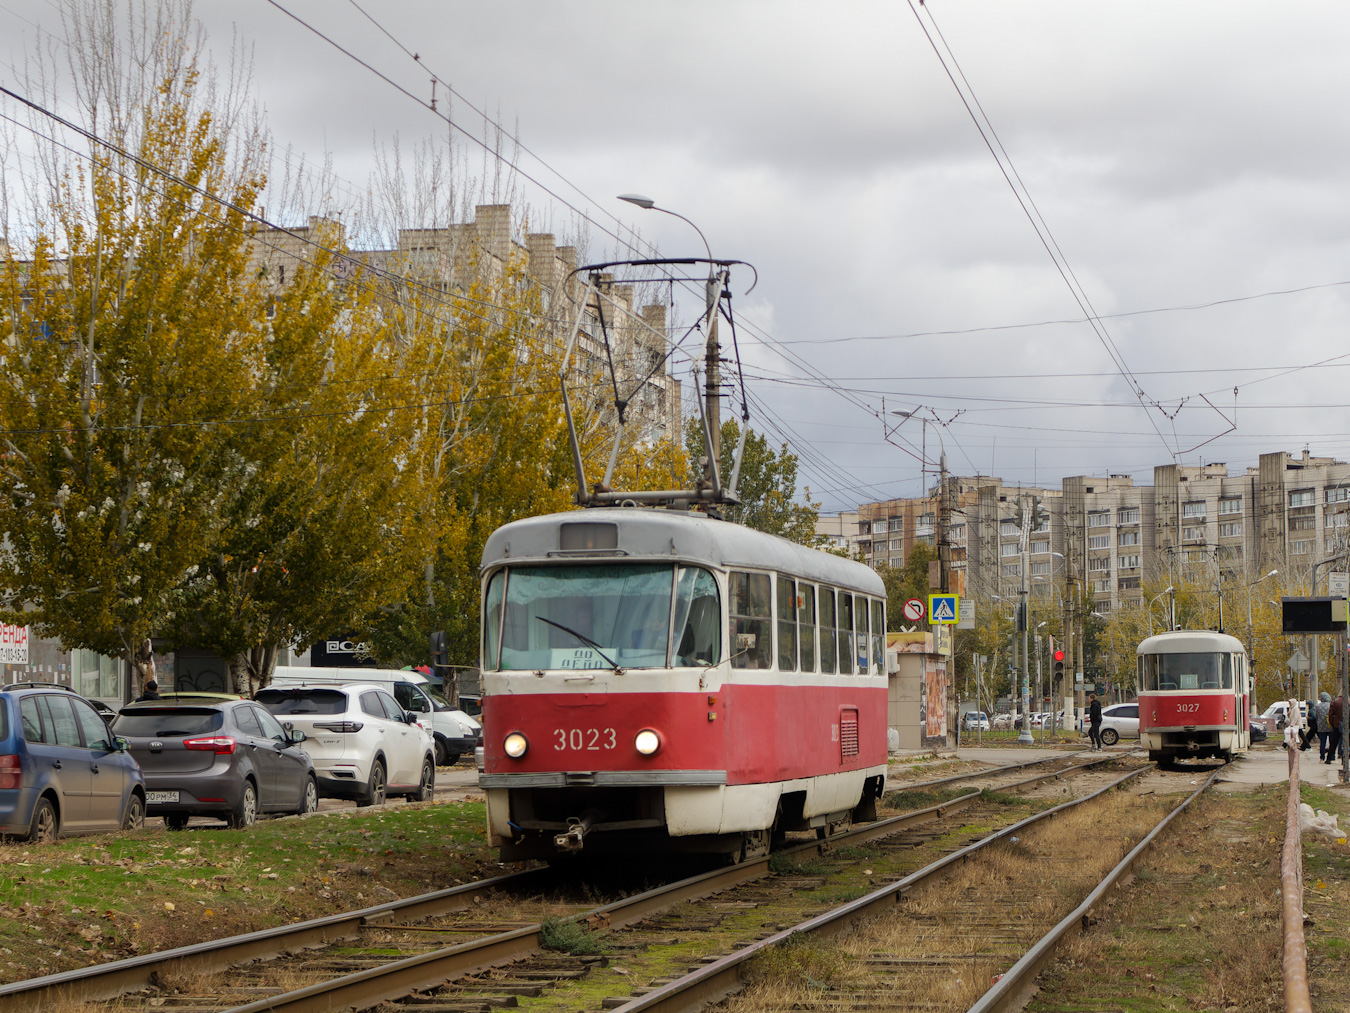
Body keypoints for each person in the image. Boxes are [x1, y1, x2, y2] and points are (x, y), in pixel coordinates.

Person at [1316, 691, 1333, 761]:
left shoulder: (1318, 706)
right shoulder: (1331, 705)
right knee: (1332, 742)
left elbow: (1317, 716)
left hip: (1321, 726)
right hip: (1330, 725)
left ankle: (1322, 756)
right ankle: (1332, 755)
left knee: (1322, 742)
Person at [1327, 694, 1344, 765]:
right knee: (1346, 742)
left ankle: (1329, 758)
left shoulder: (1335, 702)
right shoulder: (1348, 701)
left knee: (1334, 743)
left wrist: (1332, 723)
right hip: (1346, 724)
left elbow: (1330, 714)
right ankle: (1344, 758)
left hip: (1336, 724)